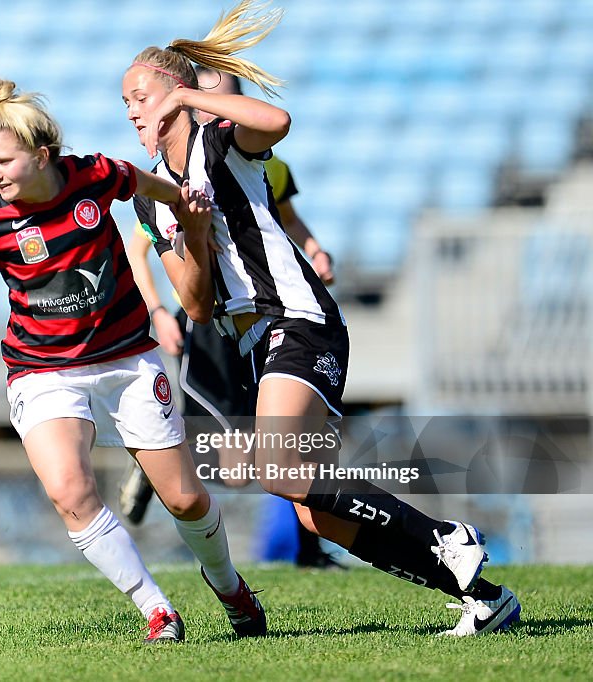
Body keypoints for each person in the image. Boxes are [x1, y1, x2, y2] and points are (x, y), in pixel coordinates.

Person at [119, 0, 520, 636]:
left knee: (278, 470)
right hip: (254, 339)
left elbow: (276, 120)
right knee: (317, 514)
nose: (133, 111)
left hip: (299, 320)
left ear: (175, 93)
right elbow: (194, 304)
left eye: (140, 96)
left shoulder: (219, 140)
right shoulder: (151, 196)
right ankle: (486, 598)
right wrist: (192, 234)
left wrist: (199, 99)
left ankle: (446, 535)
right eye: (127, 103)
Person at [0, 79, 267, 643]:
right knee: (69, 492)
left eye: (4, 161)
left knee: (184, 498)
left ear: (41, 155)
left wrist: (189, 216)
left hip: (128, 358)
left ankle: (230, 588)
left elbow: (160, 190)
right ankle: (156, 609)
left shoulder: (96, 176)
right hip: (42, 371)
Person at [119, 66, 341, 570]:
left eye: (222, 97)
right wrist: (159, 310)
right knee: (241, 464)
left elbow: (284, 215)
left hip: (271, 317)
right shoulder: (163, 186)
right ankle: (158, 459)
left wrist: (314, 249)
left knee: (270, 457)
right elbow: (146, 252)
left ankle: (316, 551)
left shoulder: (254, 155)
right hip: (215, 323)